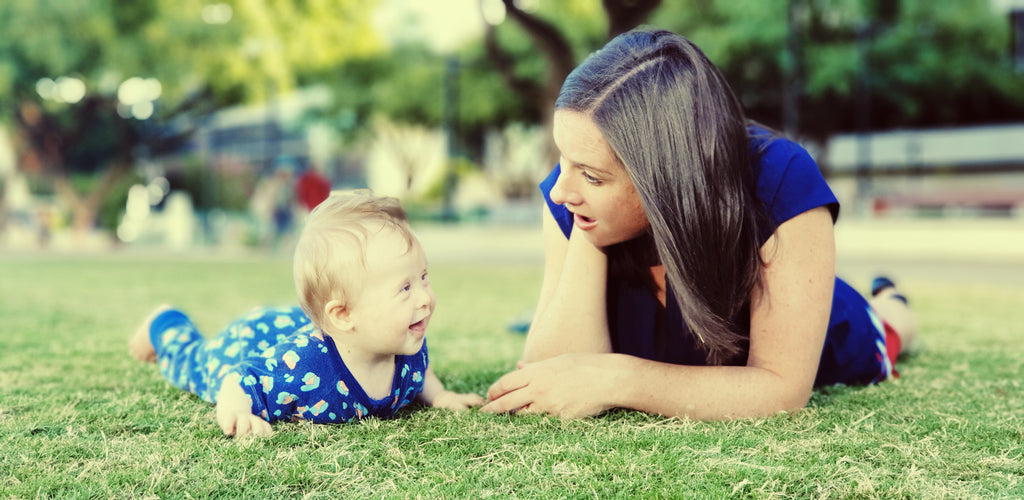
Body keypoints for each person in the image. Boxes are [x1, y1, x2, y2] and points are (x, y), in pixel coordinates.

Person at [481, 28, 918, 420]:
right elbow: (549, 373)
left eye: (591, 175)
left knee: (892, 324)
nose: (558, 191)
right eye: (563, 158)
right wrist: (586, 226)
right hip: (662, 328)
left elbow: (781, 388)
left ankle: (889, 296)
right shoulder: (571, 196)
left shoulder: (779, 179)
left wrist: (616, 379)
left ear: (666, 178)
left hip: (824, 326)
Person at [130, 190, 484, 437]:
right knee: (198, 366)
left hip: (310, 325)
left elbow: (420, 370)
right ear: (344, 314)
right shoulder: (300, 364)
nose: (424, 298)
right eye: (405, 288)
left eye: (423, 277)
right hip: (257, 341)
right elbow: (239, 379)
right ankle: (166, 323)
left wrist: (439, 396)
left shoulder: (406, 338)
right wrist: (236, 412)